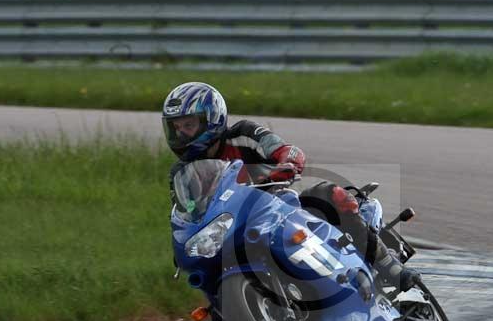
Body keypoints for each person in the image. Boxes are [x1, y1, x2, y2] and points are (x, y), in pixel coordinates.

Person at [163, 81, 418, 292]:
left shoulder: (243, 134)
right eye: (177, 128)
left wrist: (286, 163)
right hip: (238, 226)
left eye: (189, 125)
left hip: (279, 204)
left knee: (327, 193)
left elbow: (285, 150)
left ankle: (388, 266)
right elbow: (189, 211)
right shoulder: (182, 172)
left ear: (211, 118)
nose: (183, 134)